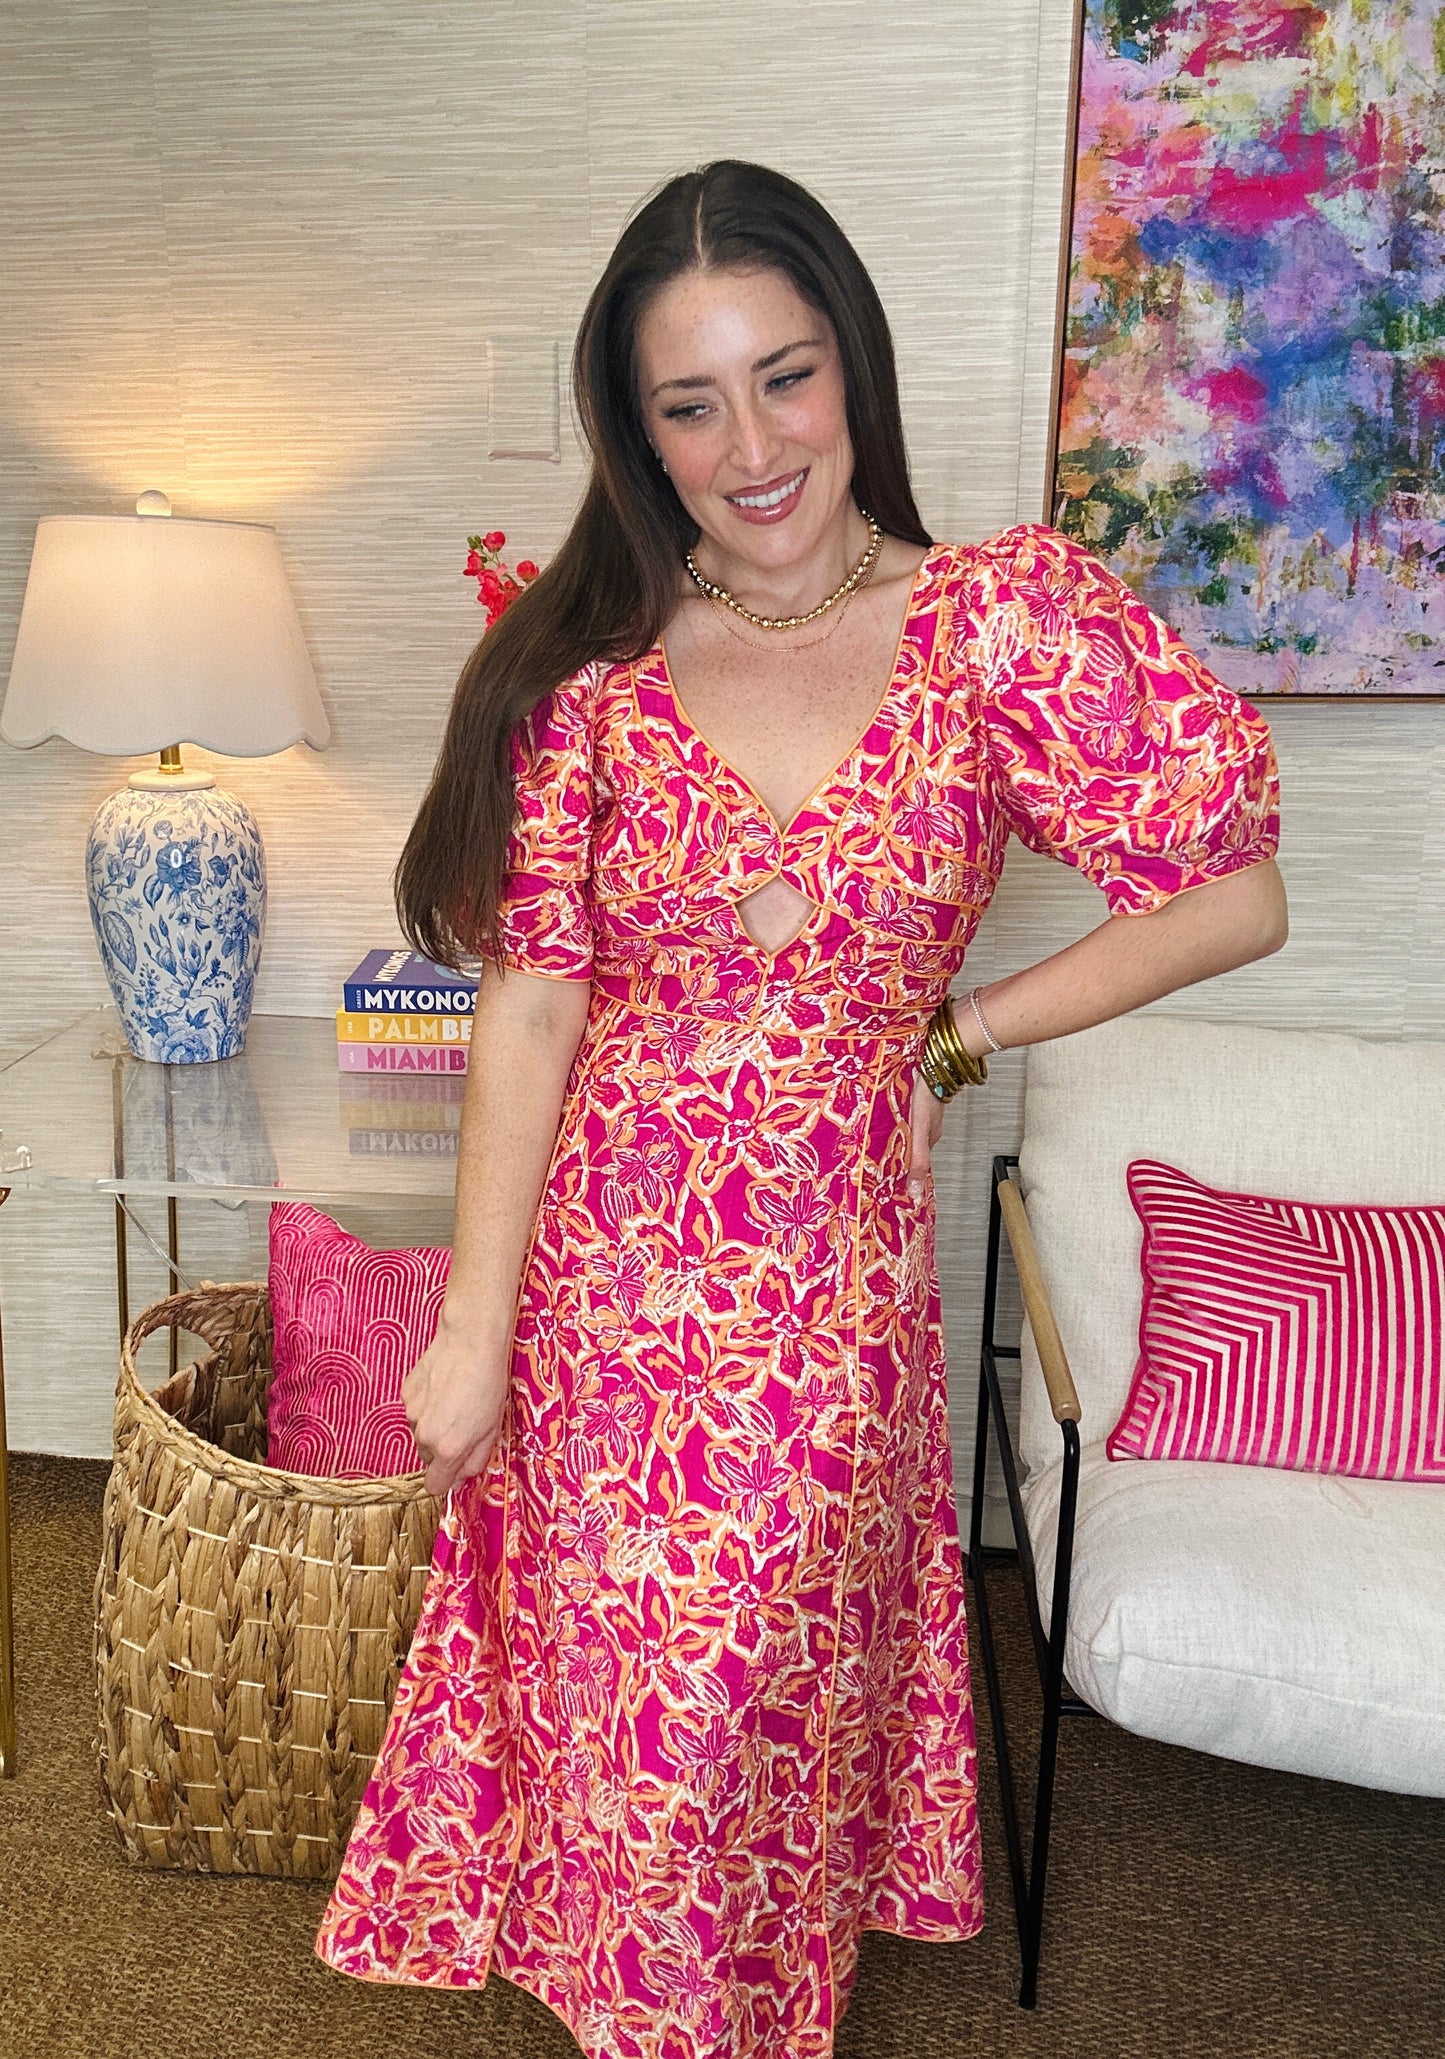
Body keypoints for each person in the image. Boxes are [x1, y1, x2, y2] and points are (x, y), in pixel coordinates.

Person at [316, 160, 1286, 2055]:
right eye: (690, 404)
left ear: (856, 369)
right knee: (630, 1731)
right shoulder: (586, 678)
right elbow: (528, 1011)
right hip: (603, 1293)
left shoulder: (998, 623)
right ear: (638, 431)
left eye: (787, 376)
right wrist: (471, 1322)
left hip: (824, 1314)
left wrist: (961, 1027)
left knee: (743, 1718)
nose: (751, 446)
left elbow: (1231, 891)